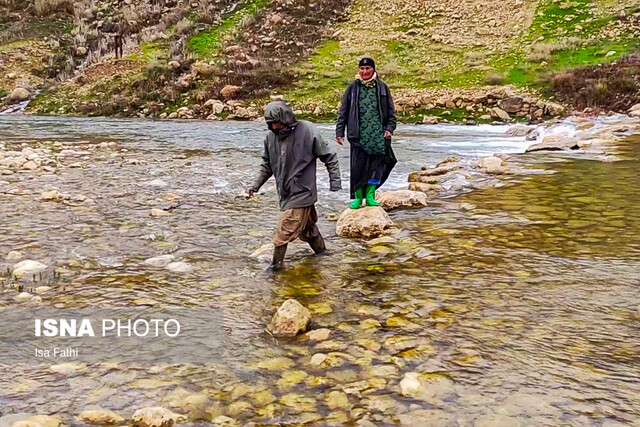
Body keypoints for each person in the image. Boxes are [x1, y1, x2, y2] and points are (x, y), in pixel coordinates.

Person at [249, 101, 342, 269]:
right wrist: (255, 186)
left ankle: (276, 268)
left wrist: (335, 182)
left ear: (286, 118)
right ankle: (323, 256)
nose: (275, 126)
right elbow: (267, 166)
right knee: (308, 229)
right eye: (271, 124)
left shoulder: (308, 131)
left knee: (283, 232)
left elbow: (329, 156)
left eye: (277, 122)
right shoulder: (270, 138)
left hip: (303, 192)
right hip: (286, 193)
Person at [335, 56, 397, 209]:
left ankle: (370, 196)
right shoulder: (352, 88)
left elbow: (391, 112)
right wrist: (339, 131)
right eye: (362, 69)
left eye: (367, 68)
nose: (364, 71)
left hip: (378, 136)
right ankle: (358, 198)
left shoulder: (383, 87)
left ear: (373, 69)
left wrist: (389, 128)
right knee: (358, 168)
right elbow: (343, 111)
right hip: (358, 136)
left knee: (376, 168)